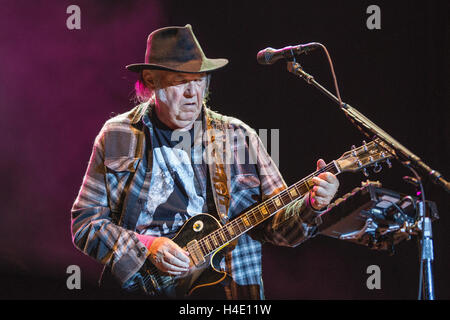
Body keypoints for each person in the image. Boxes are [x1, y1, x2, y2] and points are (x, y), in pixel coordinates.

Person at [71, 24, 339, 299]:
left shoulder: (238, 138)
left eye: (200, 80)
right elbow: (85, 224)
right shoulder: (118, 135)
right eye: (180, 80)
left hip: (232, 292)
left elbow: (282, 230)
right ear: (151, 80)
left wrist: (312, 204)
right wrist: (146, 246)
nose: (193, 92)